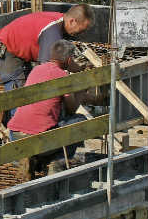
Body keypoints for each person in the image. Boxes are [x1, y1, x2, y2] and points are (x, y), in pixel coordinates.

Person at [7, 40, 96, 175]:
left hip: (15, 134)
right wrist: (82, 90)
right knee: (80, 121)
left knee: (55, 119)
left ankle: (33, 159)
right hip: (39, 139)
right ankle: (55, 162)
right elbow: (72, 109)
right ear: (69, 60)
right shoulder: (61, 76)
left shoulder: (36, 69)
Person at [0, 4, 94, 93]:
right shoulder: (52, 31)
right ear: (72, 21)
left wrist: (81, 68)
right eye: (81, 30)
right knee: (21, 97)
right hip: (5, 51)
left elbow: (62, 60)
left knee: (28, 91)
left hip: (11, 49)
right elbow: (47, 68)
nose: (80, 34)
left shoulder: (57, 23)